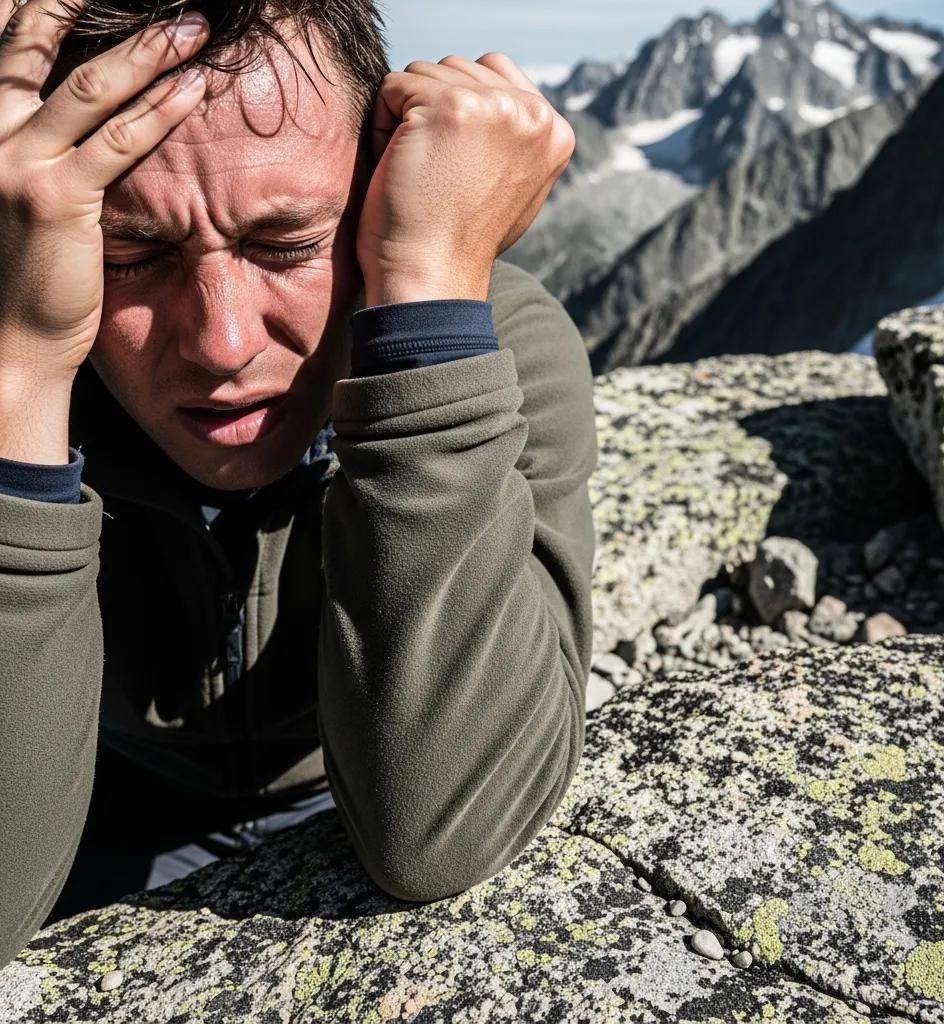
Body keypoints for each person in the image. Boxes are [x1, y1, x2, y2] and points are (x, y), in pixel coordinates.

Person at [0, 0, 597, 969]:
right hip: (87, 811)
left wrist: (428, 300)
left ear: (376, 192)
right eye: (132, 254)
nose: (222, 343)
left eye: (285, 245)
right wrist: (22, 372)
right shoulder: (13, 343)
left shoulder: (497, 345)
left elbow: (439, 830)